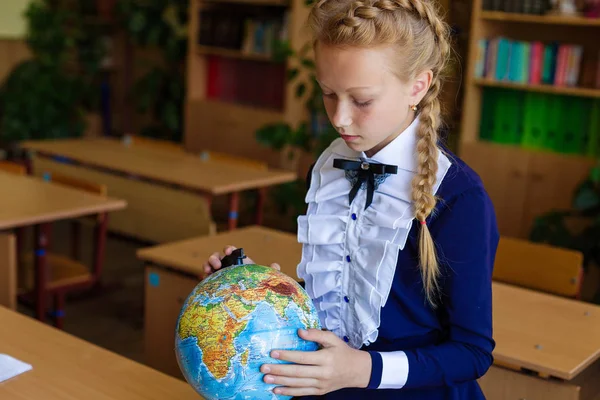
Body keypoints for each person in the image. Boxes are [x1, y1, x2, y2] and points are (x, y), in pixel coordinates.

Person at [203, 0, 499, 398]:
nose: (340, 118)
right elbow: (339, 300)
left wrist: (364, 368)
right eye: (328, 94)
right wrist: (264, 293)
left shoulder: (458, 197)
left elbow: (472, 353)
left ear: (418, 85)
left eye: (361, 101)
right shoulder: (330, 166)